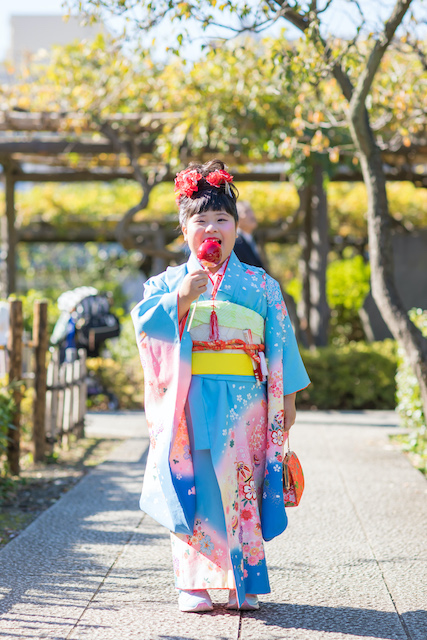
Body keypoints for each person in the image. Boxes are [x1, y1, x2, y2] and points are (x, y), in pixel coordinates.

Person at [131, 159, 310, 613]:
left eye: (222, 219)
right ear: (183, 227)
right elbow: (146, 330)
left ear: (234, 226)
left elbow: (281, 344)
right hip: (187, 401)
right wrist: (181, 299)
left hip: (245, 404)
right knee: (193, 485)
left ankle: (240, 584)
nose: (212, 227)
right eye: (201, 219)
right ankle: (191, 584)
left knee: (241, 485)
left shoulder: (261, 286)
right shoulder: (166, 283)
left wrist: (286, 401)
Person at [234, 200, 265, 268]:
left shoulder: (251, 240)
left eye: (251, 211)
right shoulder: (235, 243)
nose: (252, 215)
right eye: (246, 212)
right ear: (237, 219)